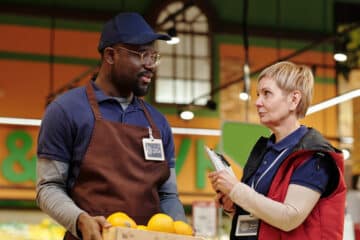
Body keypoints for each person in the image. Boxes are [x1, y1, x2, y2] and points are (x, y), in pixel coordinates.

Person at [36, 12, 186, 240]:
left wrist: (180, 232)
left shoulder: (158, 123)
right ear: (110, 55)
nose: (151, 66)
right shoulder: (65, 111)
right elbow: (48, 187)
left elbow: (167, 194)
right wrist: (79, 220)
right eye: (143, 55)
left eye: (154, 56)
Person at [208, 61, 346, 239]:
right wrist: (233, 204)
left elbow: (289, 218)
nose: (257, 102)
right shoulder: (265, 151)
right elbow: (263, 219)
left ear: (294, 99)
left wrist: (236, 190)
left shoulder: (313, 157)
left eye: (267, 94)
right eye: (257, 94)